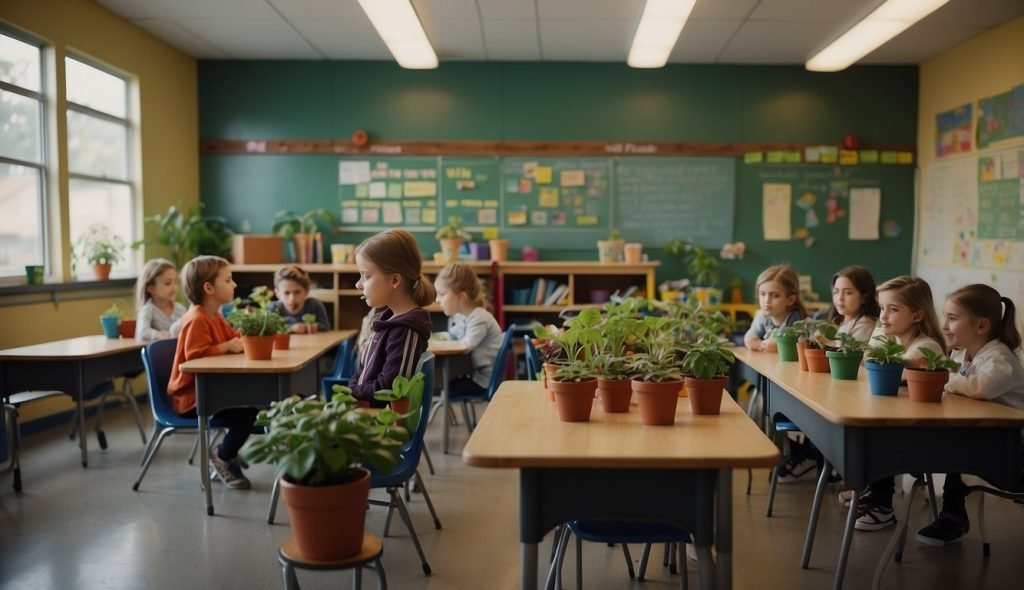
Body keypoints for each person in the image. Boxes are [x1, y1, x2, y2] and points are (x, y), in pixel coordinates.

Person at [916, 284, 1024, 546]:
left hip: (1014, 450)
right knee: (954, 446)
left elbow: (979, 388)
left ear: (982, 326)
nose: (943, 326)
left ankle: (953, 518)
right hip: (988, 439)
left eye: (952, 319)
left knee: (959, 452)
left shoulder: (1000, 359)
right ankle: (950, 512)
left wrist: (943, 378)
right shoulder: (963, 354)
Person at [853, 276, 947, 531]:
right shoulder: (890, 339)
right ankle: (871, 490)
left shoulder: (926, 347)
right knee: (865, 429)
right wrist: (881, 333)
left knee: (878, 437)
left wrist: (880, 342)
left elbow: (891, 368)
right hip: (895, 422)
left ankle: (883, 506)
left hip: (921, 431)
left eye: (893, 310)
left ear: (917, 316)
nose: (883, 316)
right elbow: (869, 361)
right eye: (881, 308)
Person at [167, 256, 256, 489]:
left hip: (211, 392)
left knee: (250, 411)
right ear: (208, 288)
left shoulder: (215, 315)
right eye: (228, 280)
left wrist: (247, 330)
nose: (234, 284)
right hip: (191, 399)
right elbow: (194, 358)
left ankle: (227, 452)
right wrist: (226, 347)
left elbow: (232, 337)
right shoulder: (197, 318)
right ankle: (222, 456)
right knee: (242, 418)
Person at [349, 230, 434, 405]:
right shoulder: (386, 322)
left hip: (383, 424)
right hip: (367, 413)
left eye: (366, 276)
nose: (358, 284)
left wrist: (353, 391)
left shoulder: (406, 330)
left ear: (395, 280)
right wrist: (352, 390)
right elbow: (361, 373)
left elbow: (391, 390)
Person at [434, 263, 503, 397]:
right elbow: (453, 335)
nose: (437, 299)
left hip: (483, 382)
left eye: (442, 294)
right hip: (475, 376)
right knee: (444, 385)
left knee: (445, 389)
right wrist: (435, 337)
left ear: (461, 297)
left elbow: (466, 346)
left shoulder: (479, 317)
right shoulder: (464, 316)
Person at [744, 265, 808, 352]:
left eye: (775, 296)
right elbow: (749, 338)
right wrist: (759, 344)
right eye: (762, 294)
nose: (766, 300)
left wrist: (779, 347)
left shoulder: (796, 321)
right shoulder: (762, 315)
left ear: (790, 300)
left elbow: (797, 347)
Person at [817, 265, 879, 347]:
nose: (840, 298)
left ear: (864, 297)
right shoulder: (837, 321)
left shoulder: (866, 324)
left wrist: (825, 342)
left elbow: (849, 354)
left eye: (848, 293)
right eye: (836, 292)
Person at [134, 258, 186, 340]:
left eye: (175, 282)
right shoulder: (148, 310)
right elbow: (142, 332)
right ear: (151, 289)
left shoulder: (180, 309)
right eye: (168, 283)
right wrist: (159, 335)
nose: (174, 287)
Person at [268, 265, 330, 332]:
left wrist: (306, 327)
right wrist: (291, 328)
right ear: (277, 293)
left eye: (297, 292)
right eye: (286, 293)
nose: (292, 298)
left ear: (306, 291)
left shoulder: (315, 305)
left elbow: (325, 326)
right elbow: (269, 328)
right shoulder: (273, 308)